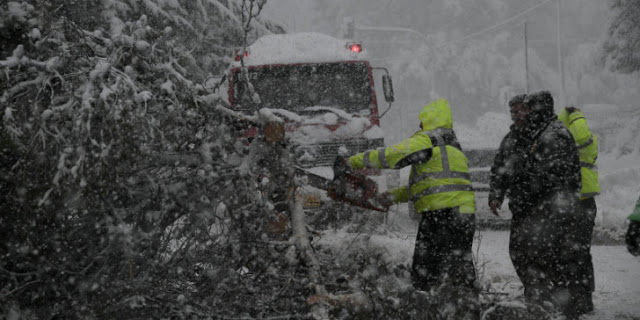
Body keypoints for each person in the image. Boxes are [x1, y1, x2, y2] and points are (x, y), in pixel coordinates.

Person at [344, 98, 477, 293]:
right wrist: (392, 196)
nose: (419, 125)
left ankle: (427, 304)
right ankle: (465, 305)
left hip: (442, 214)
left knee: (425, 271)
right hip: (463, 215)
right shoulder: (451, 147)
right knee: (460, 267)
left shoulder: (428, 140)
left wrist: (353, 162)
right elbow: (429, 187)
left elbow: (391, 155)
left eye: (422, 121)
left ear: (431, 119)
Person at [501, 91, 582, 318]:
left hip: (551, 211)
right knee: (528, 255)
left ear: (540, 110)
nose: (525, 114)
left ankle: (549, 305)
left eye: (529, 109)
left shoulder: (553, 135)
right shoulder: (539, 133)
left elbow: (554, 175)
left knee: (544, 259)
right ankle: (542, 301)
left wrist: (527, 183)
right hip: (539, 209)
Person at [557, 106, 600, 314]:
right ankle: (580, 298)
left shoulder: (579, 138)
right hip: (578, 203)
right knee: (577, 253)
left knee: (576, 253)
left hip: (580, 202)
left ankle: (579, 300)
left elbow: (580, 134)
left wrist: (576, 116)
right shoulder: (580, 141)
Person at [488, 94, 532, 217]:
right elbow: (498, 170)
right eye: (512, 112)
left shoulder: (542, 135)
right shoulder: (510, 139)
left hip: (543, 208)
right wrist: (495, 197)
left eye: (517, 112)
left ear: (529, 110)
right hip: (519, 208)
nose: (514, 116)